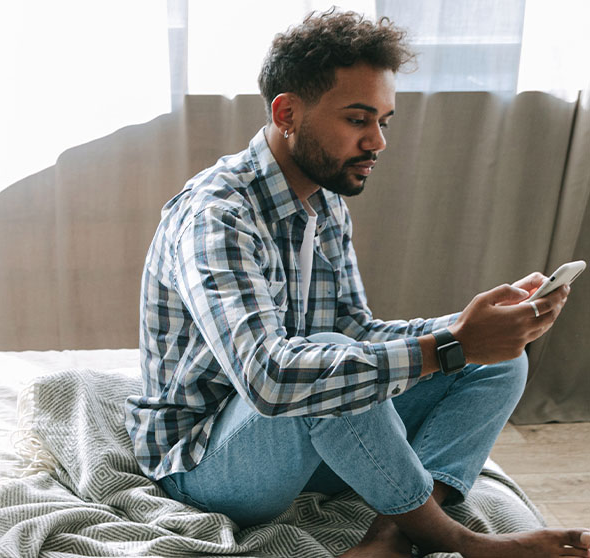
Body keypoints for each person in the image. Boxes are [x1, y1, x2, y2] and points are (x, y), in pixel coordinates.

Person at [125, 9, 589, 558]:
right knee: (335, 367)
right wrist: (447, 346)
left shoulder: (325, 202)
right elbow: (271, 378)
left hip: (303, 437)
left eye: (384, 121)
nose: (377, 141)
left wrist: (472, 331)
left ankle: (392, 533)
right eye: (357, 119)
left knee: (497, 361)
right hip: (206, 461)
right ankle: (458, 540)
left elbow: (354, 328)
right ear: (288, 112)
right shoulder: (217, 216)